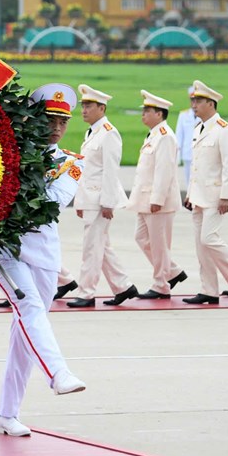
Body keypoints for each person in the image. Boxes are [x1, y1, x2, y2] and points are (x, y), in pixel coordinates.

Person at [0, 83, 87, 438]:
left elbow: (50, 204)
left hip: (44, 253)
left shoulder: (72, 164)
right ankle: (58, 373)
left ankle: (7, 413)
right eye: (49, 118)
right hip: (3, 249)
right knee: (29, 308)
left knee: (25, 333)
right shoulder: (4, 151)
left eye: (62, 121)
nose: (56, 127)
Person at [183, 80, 228, 305]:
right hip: (199, 196)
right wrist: (189, 193)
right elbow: (197, 166)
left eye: (199, 101)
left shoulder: (224, 130)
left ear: (211, 104)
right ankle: (209, 290)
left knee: (209, 238)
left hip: (215, 196)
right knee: (201, 246)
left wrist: (226, 196)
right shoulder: (199, 128)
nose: (194, 104)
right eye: (193, 100)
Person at [68, 85, 137, 308]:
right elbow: (87, 170)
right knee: (101, 247)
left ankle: (86, 293)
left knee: (92, 247)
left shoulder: (109, 133)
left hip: (100, 201)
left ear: (102, 108)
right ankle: (124, 286)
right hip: (90, 199)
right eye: (83, 106)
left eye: (88, 106)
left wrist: (108, 203)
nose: (84, 110)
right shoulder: (92, 133)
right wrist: (79, 200)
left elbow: (110, 171)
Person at [129, 90, 187, 299]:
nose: (143, 114)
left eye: (147, 111)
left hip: (157, 201)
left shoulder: (165, 137)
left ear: (159, 114)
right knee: (141, 238)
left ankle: (161, 284)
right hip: (146, 199)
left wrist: (157, 199)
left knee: (159, 243)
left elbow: (165, 171)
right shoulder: (154, 134)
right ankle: (173, 272)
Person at [175, 87, 197, 186]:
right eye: (192, 100)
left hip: (201, 154)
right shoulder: (183, 115)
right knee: (189, 180)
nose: (194, 103)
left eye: (197, 100)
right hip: (187, 153)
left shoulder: (204, 116)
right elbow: (179, 136)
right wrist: (177, 156)